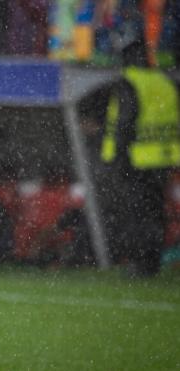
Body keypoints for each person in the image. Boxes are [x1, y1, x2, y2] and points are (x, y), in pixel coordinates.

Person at [98, 34, 180, 277]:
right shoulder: (164, 81)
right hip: (163, 158)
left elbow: (125, 123)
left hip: (136, 159)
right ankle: (152, 262)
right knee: (154, 211)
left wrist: (116, 158)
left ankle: (140, 264)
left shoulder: (130, 82)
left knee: (136, 213)